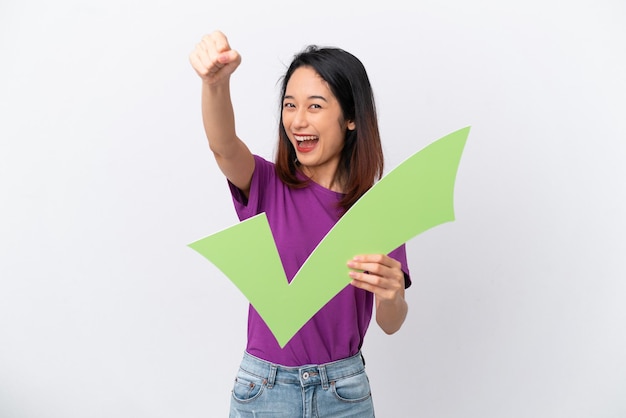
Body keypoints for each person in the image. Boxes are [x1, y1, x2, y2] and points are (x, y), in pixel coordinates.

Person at [189, 30, 411, 417]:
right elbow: (223, 145)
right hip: (264, 389)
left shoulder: (378, 210)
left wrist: (392, 296)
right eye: (290, 105)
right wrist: (215, 85)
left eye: (315, 106)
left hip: (344, 392)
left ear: (352, 119)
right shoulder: (265, 184)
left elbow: (390, 324)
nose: (297, 120)